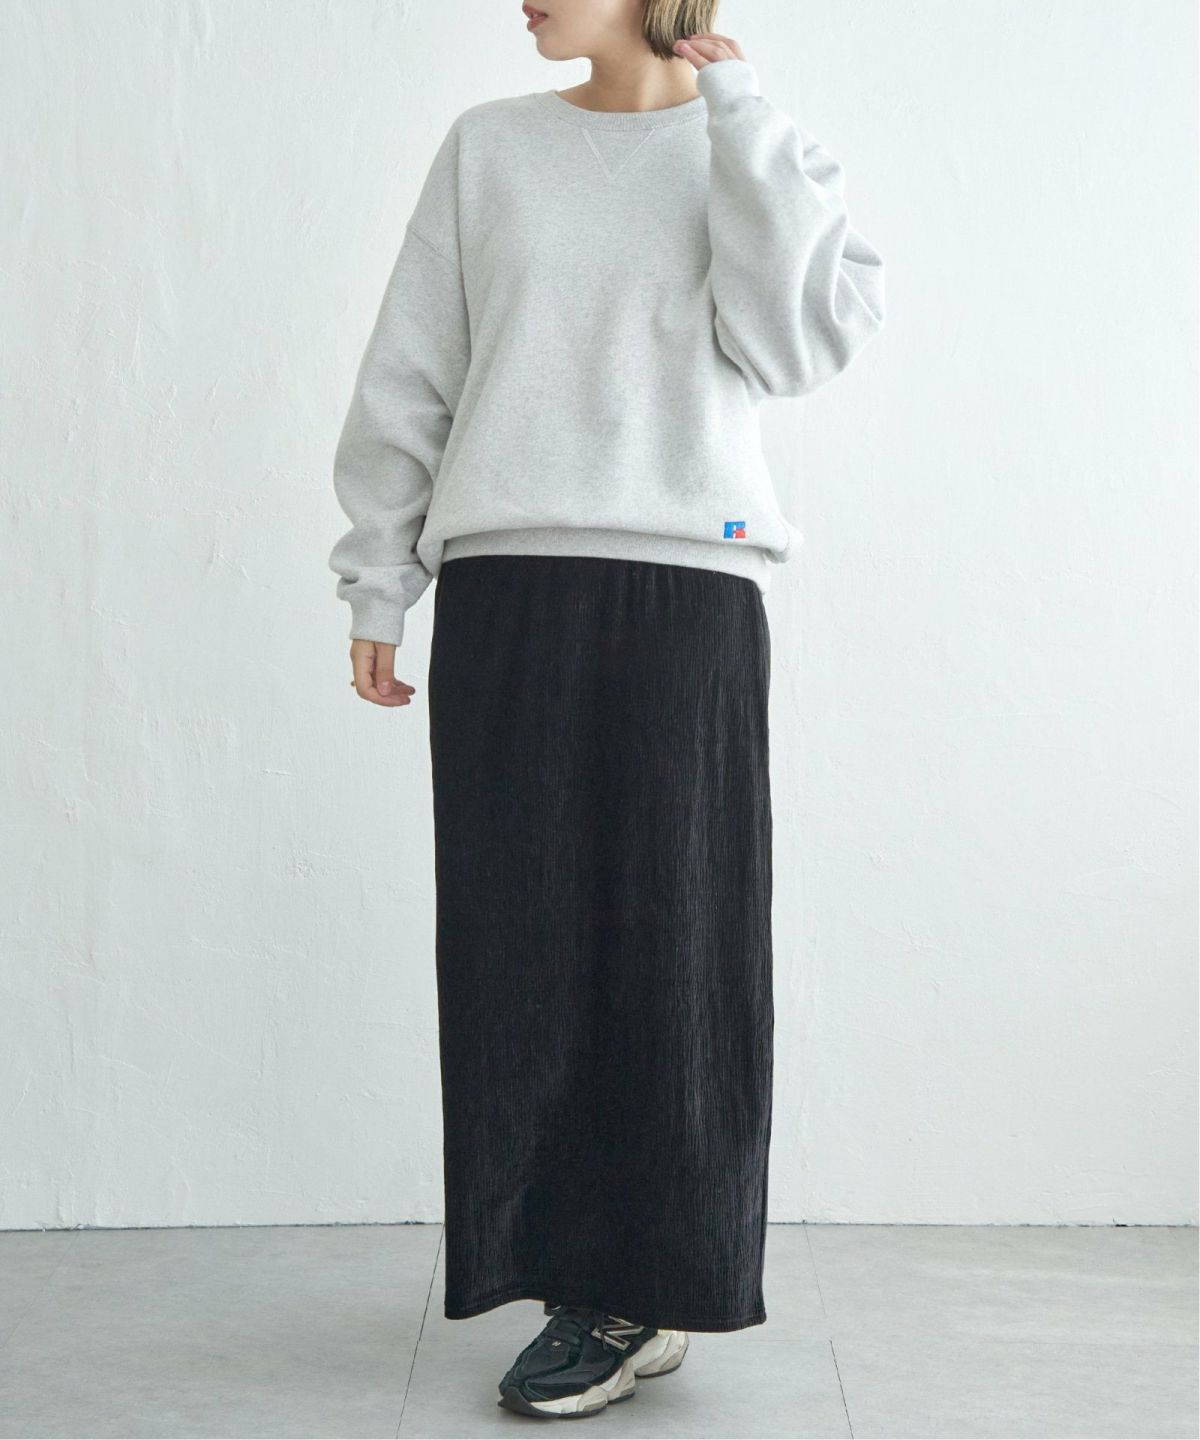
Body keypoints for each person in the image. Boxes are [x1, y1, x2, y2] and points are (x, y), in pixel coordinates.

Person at [328, 0, 884, 1421]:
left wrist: (742, 123)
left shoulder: (757, 146)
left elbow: (797, 344)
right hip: (508, 586)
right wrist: (380, 580)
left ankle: (649, 1288)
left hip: (686, 592)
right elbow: (413, 368)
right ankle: (571, 1279)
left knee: (679, 949)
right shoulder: (490, 149)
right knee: (516, 949)